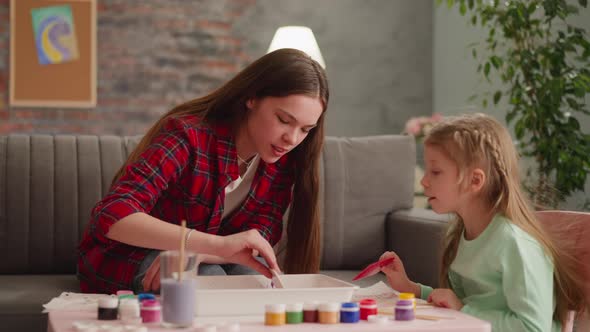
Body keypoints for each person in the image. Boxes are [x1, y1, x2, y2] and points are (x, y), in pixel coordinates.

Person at [77, 49, 329, 294]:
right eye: (284, 120)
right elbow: (113, 215)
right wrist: (213, 246)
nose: (292, 138)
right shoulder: (188, 136)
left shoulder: (283, 162)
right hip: (127, 252)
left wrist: (203, 252)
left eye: (305, 129)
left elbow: (255, 238)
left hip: (210, 258)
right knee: (210, 281)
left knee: (256, 283)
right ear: (252, 98)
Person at [379, 114, 587, 331]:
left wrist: (461, 311)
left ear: (475, 181)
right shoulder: (462, 233)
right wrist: (412, 288)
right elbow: (465, 302)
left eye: (436, 172)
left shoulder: (514, 243)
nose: (424, 181)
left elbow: (533, 327)